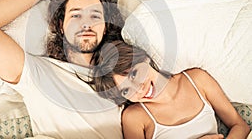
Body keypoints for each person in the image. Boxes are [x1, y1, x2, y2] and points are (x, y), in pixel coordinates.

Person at [0, 0, 124, 138]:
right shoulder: (38, 73)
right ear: (61, 26)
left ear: (105, 27)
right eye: (76, 15)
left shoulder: (120, 75)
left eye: (95, 16)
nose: (86, 24)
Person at [93, 40, 250, 139]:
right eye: (126, 91)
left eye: (134, 74)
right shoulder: (135, 117)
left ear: (144, 59)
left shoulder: (196, 79)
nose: (139, 89)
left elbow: (240, 125)